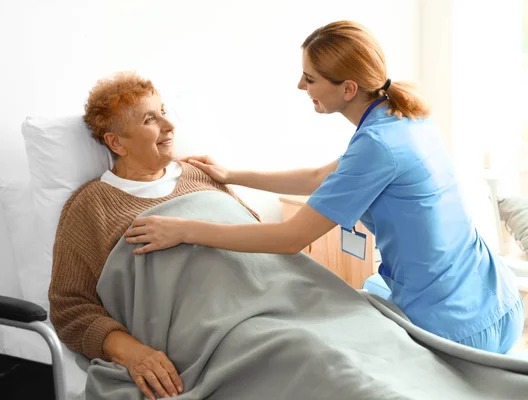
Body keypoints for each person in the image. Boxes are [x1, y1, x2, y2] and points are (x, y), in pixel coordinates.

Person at [125, 20, 525, 354]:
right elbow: (321, 177)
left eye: (310, 78)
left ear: (348, 89)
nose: (301, 86)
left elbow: (289, 238)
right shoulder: (400, 116)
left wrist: (184, 231)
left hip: (460, 325)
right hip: (495, 299)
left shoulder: (379, 145)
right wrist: (233, 175)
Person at [48, 71, 260, 400]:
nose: (170, 126)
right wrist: (132, 353)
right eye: (151, 119)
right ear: (116, 142)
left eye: (164, 111)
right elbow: (70, 307)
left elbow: (259, 239)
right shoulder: (92, 207)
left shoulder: (202, 176)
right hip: (210, 335)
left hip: (265, 304)